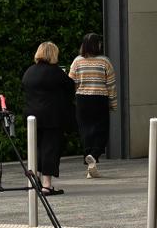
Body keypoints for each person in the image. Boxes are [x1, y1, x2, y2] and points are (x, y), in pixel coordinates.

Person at [21, 41, 75, 195]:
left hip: (32, 117)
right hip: (52, 117)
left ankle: (34, 180)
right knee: (50, 149)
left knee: (36, 149)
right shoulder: (56, 72)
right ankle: (47, 185)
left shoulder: (29, 71)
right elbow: (70, 87)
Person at [68, 33, 117, 178]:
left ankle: (90, 165)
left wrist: (74, 98)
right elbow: (111, 85)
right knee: (101, 131)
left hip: (82, 100)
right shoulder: (105, 62)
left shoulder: (77, 61)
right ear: (97, 45)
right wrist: (113, 104)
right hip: (100, 99)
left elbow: (71, 82)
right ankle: (94, 155)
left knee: (85, 131)